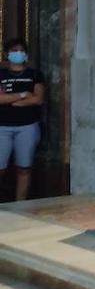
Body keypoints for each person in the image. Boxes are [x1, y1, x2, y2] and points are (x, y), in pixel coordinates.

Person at [0, 37, 44, 201]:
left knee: (24, 168)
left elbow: (38, 99)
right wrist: (22, 95)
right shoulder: (1, 74)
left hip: (27, 127)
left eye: (21, 50)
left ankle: (21, 204)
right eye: (14, 50)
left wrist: (11, 100)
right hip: (2, 127)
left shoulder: (35, 74)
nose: (18, 53)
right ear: (6, 54)